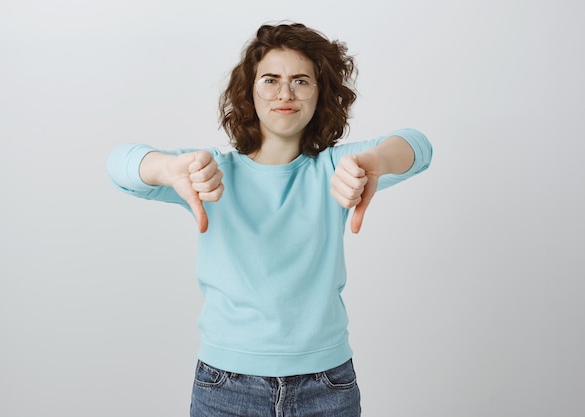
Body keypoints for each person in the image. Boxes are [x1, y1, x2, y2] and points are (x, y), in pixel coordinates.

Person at [107, 22, 432, 417]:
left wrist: (377, 161)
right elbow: (120, 165)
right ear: (249, 91)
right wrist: (166, 168)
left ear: (320, 93)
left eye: (301, 80)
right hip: (226, 386)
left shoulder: (337, 167)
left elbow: (418, 145)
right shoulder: (208, 171)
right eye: (270, 79)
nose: (285, 93)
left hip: (326, 385)